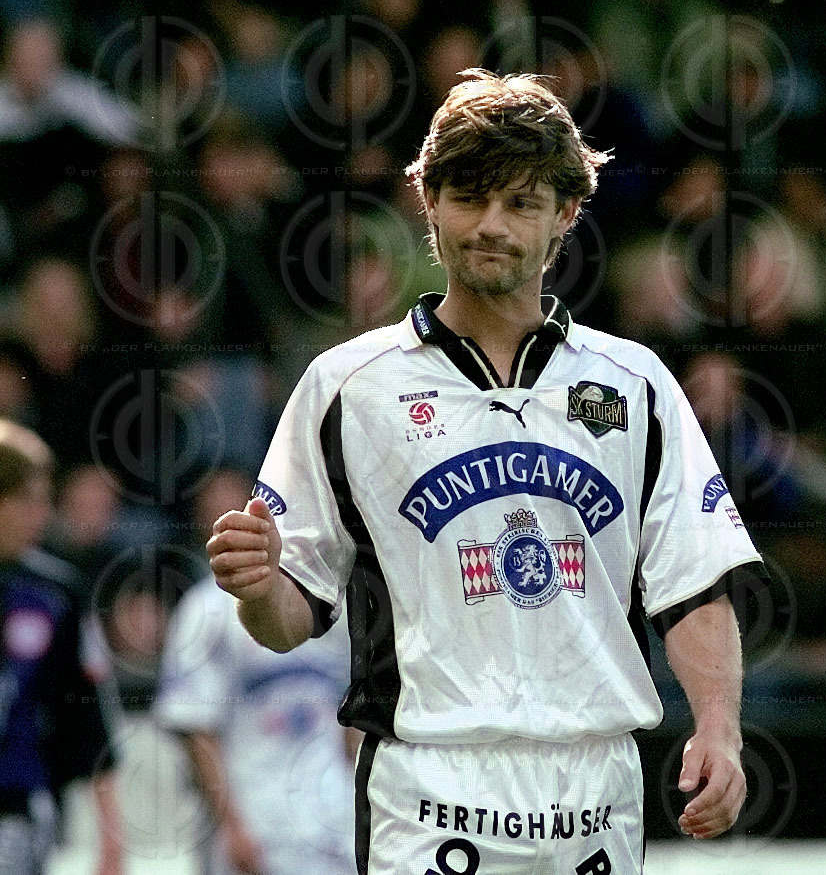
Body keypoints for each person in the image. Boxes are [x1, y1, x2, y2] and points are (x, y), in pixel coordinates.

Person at [207, 69, 767, 873]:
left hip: (596, 793)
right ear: (429, 202)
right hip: (429, 788)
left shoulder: (634, 385)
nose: (491, 225)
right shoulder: (346, 387)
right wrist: (259, 586)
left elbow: (693, 584)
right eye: (469, 198)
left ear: (565, 214)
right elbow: (290, 619)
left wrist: (718, 724)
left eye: (521, 203)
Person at [154, 574, 357, 875]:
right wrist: (231, 826)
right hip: (255, 825)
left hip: (333, 820)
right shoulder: (206, 609)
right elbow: (197, 730)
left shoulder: (335, 599)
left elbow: (355, 715)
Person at [0, 420, 123, 875]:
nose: (41, 515)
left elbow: (88, 717)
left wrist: (113, 838)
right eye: (27, 499)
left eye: (45, 501)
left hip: (19, 807)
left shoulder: (55, 594)